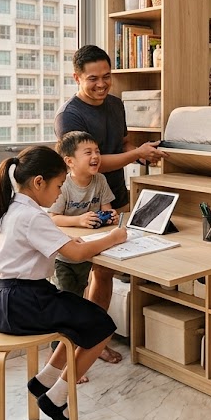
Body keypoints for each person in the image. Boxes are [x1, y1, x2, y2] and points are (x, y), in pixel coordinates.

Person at [0, 146, 129, 420]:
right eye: (59, 186)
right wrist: (113, 237)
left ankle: (44, 380)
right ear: (39, 182)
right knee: (101, 326)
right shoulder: (34, 216)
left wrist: (73, 240)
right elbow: (75, 256)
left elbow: (54, 243)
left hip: (0, 300)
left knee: (77, 319)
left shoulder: (13, 207)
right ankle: (56, 397)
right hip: (24, 302)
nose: (60, 192)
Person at [55, 45, 168, 213]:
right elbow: (91, 164)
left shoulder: (116, 104)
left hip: (117, 194)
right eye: (93, 79)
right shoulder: (69, 115)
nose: (101, 84)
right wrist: (136, 154)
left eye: (106, 76)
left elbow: (122, 143)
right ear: (77, 78)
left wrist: (144, 154)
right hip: (84, 205)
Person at [47, 131, 123, 367]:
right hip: (67, 256)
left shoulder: (100, 180)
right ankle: (61, 360)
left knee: (93, 302)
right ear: (69, 161)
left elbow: (108, 209)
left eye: (98, 151)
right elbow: (52, 217)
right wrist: (78, 220)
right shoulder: (64, 185)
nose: (96, 156)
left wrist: (110, 217)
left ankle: (93, 344)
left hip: (92, 250)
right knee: (70, 308)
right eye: (88, 152)